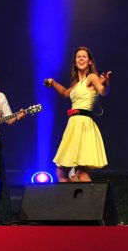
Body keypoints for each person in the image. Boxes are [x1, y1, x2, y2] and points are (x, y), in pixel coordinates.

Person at [44, 46, 111, 182]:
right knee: (77, 173)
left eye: (84, 56)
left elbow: (103, 91)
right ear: (75, 62)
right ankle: (78, 202)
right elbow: (65, 93)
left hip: (84, 125)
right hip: (73, 125)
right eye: (78, 56)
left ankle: (83, 203)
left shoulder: (91, 77)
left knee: (66, 172)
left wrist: (106, 84)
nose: (81, 58)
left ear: (90, 62)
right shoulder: (76, 84)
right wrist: (54, 83)